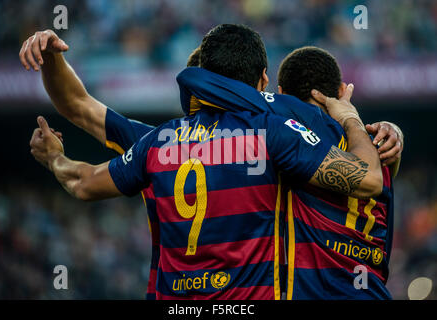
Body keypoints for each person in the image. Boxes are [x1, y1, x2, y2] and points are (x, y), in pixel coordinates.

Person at [29, 24, 384, 300]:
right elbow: (368, 178)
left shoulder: (156, 142)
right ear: (262, 79)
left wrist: (55, 158)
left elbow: (82, 162)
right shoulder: (272, 132)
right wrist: (355, 119)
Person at [176, 46, 401, 299]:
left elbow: (191, 78)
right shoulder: (380, 149)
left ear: (281, 94)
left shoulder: (292, 137)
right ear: (341, 91)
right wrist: (364, 122)